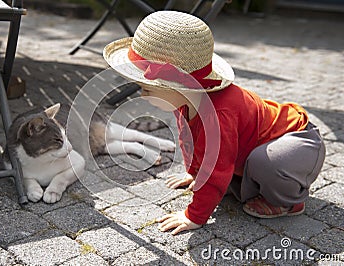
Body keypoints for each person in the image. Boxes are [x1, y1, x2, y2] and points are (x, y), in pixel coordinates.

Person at [103, 11, 326, 235]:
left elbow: (217, 168)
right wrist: (194, 172)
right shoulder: (187, 101)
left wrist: (194, 215)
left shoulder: (219, 114)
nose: (141, 95)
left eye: (147, 88)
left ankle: (289, 201)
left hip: (296, 144)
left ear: (177, 86)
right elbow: (188, 139)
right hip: (253, 146)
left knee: (264, 163)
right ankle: (254, 182)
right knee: (241, 166)